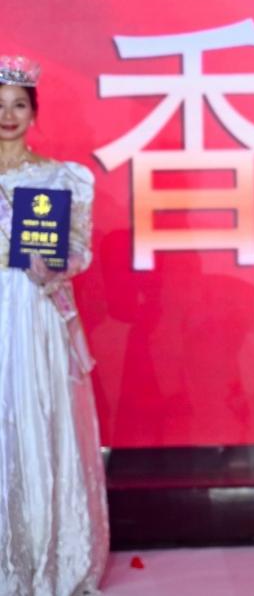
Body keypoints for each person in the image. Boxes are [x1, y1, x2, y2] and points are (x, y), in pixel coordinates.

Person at [0, 56, 109, 596]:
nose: (8, 115)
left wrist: (54, 264)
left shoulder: (58, 178)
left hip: (34, 312)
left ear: (34, 113)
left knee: (36, 421)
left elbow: (80, 250)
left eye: (18, 105)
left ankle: (44, 556)